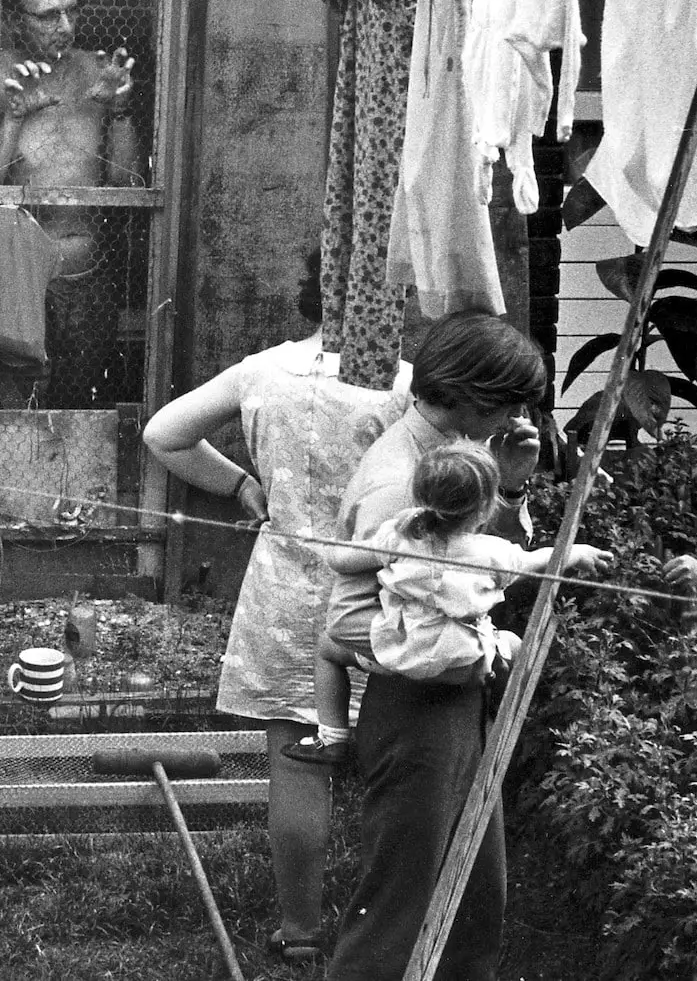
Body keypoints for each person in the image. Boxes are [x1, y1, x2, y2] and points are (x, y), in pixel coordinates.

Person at [142, 251, 407, 966]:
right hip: (389, 595)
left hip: (289, 597)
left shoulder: (263, 371)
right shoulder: (407, 389)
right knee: (402, 764)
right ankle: (394, 927)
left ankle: (300, 931)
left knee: (299, 761)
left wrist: (235, 486)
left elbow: (164, 433)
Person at [326, 311, 548, 981]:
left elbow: (468, 562)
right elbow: (342, 622)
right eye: (508, 403)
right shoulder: (402, 483)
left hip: (454, 702)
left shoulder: (447, 461)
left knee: (475, 907)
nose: (515, 416)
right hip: (418, 710)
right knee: (402, 913)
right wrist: (439, 651)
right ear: (473, 396)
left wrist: (506, 485)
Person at [287, 439, 611, 767]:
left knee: (328, 649)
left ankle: (332, 738)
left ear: (420, 495)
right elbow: (537, 561)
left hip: (400, 655)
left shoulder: (400, 536)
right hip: (462, 664)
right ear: (486, 507)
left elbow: (341, 561)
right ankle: (499, 694)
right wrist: (577, 552)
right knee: (513, 642)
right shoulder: (492, 553)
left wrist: (328, 543)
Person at [0, 0, 140, 406]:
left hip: (87, 274)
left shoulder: (98, 73)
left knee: (80, 411)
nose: (65, 26)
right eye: (48, 16)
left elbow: (125, 185)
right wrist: (14, 118)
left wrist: (122, 111)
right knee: (17, 414)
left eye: (71, 11)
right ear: (16, 20)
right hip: (20, 275)